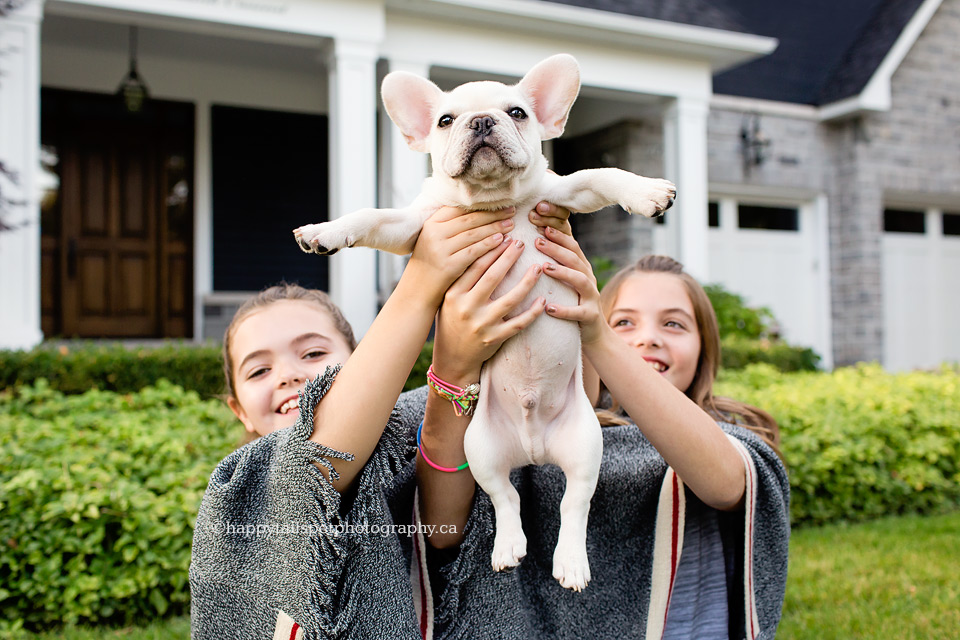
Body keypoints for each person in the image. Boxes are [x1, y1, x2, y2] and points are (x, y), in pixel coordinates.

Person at [189, 203, 568, 639]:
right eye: (258, 370)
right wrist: (423, 276)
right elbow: (317, 460)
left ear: (361, 365)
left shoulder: (412, 436)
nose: (289, 375)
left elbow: (444, 535)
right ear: (238, 410)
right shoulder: (239, 495)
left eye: (313, 353)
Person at [414, 219, 789, 639]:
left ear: (705, 347)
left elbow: (725, 483)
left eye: (674, 324)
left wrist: (601, 335)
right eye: (623, 323)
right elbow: (443, 522)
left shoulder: (724, 432)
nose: (647, 339)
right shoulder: (542, 433)